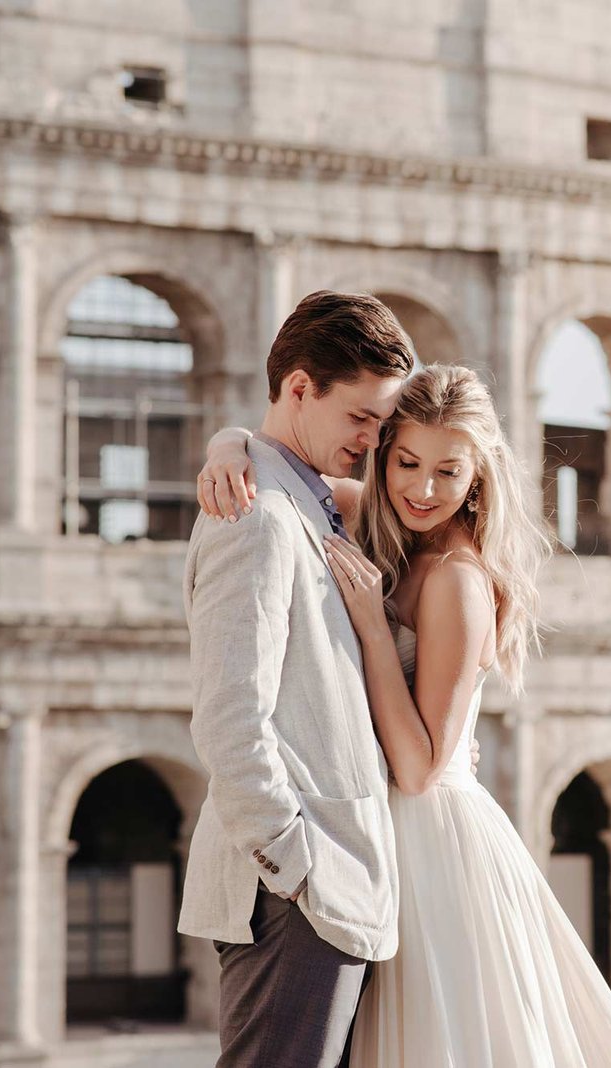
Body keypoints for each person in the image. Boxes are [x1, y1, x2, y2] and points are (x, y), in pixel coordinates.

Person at [197, 364, 611, 1067]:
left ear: (479, 477)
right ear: (384, 449)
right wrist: (227, 448)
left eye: (448, 472)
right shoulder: (370, 516)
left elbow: (419, 767)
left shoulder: (456, 580)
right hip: (373, 840)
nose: (423, 489)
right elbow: (277, 463)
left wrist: (373, 630)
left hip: (434, 845)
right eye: (407, 461)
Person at [178, 290, 413, 1068]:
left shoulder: (303, 503)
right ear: (301, 387)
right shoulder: (257, 515)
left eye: (383, 426)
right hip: (292, 893)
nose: (372, 442)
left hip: (324, 889)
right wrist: (294, 866)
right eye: (361, 418)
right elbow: (228, 718)